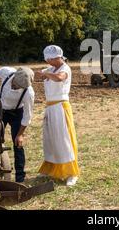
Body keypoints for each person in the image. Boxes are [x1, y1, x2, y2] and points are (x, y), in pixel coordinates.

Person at [35, 45, 80, 186]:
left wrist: (46, 74)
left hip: (61, 107)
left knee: (64, 139)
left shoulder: (64, 69)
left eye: (50, 59)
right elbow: (37, 75)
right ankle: (51, 169)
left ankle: (71, 173)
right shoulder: (50, 69)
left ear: (57, 58)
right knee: (50, 140)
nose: (48, 62)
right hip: (50, 107)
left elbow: (60, 78)